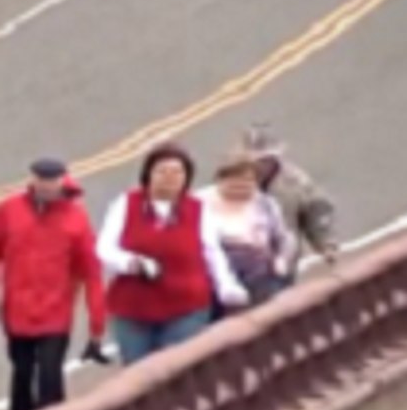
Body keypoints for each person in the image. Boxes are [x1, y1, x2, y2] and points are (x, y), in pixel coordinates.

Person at [0, 157, 109, 410]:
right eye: (41, 180)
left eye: (52, 180)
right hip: (17, 311)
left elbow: (91, 273)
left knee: (50, 376)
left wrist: (97, 325)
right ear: (32, 179)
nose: (46, 186)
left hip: (56, 313)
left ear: (61, 181)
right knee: (21, 374)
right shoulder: (8, 210)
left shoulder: (76, 219)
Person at [97, 142, 250, 365]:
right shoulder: (126, 204)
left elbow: (212, 253)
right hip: (133, 307)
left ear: (187, 177)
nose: (169, 178)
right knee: (138, 370)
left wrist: (226, 285)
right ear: (148, 174)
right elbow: (104, 248)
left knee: (175, 367)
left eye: (177, 172)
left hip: (186, 306)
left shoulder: (198, 209)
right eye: (162, 172)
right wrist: (131, 262)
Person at [196, 151, 298, 315]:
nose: (240, 186)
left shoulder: (266, 204)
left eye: (247, 181)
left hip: (260, 277)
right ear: (220, 179)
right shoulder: (199, 203)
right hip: (214, 280)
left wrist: (281, 261)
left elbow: (285, 238)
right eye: (234, 181)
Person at [239, 122, 339, 280]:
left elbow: (315, 211)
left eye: (265, 160)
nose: (260, 166)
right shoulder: (236, 181)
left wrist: (326, 245)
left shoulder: (295, 182)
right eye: (255, 161)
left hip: (283, 259)